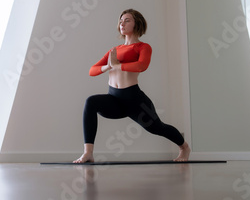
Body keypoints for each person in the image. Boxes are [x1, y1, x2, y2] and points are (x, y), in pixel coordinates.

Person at [74, 9, 190, 163]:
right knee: (91, 102)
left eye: (127, 20)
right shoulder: (114, 51)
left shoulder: (143, 47)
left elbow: (142, 66)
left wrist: (116, 65)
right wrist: (108, 66)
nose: (122, 23)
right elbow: (92, 71)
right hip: (114, 99)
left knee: (158, 127)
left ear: (137, 23)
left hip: (134, 100)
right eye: (121, 20)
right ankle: (88, 153)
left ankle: (184, 147)